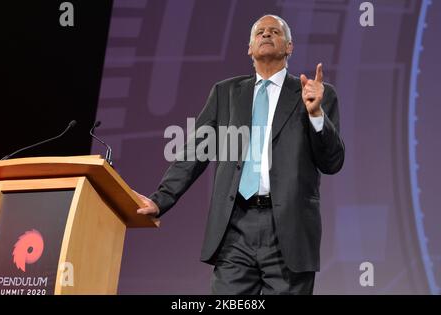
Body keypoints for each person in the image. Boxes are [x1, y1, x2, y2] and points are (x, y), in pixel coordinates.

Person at [135, 14, 344, 295]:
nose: (267, 34)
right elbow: (194, 153)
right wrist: (160, 201)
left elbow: (332, 162)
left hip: (289, 231)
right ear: (249, 48)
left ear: (290, 47)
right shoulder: (226, 93)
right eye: (260, 31)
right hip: (234, 228)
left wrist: (316, 113)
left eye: (275, 31)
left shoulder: (315, 94)